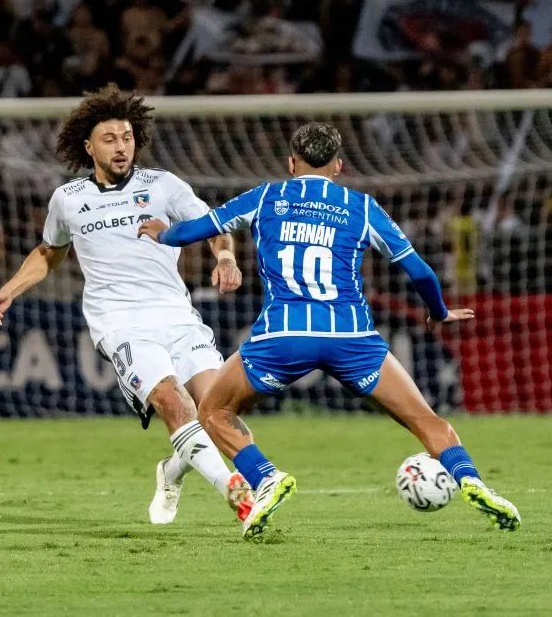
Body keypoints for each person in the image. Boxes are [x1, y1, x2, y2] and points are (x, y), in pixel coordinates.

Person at [137, 122, 521, 539]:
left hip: (282, 337)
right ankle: (473, 482)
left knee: (213, 412)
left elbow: (195, 230)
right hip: (352, 339)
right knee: (423, 418)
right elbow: (420, 270)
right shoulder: (363, 207)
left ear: (290, 163)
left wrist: (163, 234)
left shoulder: (267, 197)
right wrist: (438, 311)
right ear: (338, 165)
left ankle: (265, 478)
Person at [0, 85, 254, 525]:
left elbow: (216, 223)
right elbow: (50, 251)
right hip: (121, 325)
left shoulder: (163, 185)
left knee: (218, 410)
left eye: (126, 137)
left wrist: (226, 257)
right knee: (171, 401)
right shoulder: (68, 199)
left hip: (178, 317)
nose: (121, 146)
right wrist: (10, 289)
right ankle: (238, 495)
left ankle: (172, 469)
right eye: (110, 139)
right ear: (89, 146)